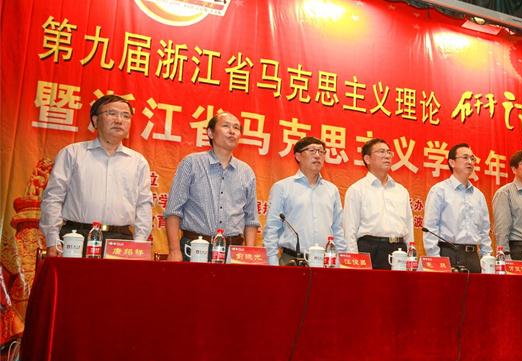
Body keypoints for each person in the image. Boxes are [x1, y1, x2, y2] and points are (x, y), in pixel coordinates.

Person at [40, 95, 152, 256]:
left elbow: (143, 205)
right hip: (76, 237)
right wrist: (53, 241)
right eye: (112, 113)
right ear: (95, 120)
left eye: (126, 116)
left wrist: (139, 244)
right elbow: (53, 198)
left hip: (121, 240)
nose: (119, 120)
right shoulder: (72, 153)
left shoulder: (138, 162)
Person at [164, 112, 259, 261]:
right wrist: (174, 251)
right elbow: (173, 211)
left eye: (236, 128)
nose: (232, 131)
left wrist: (249, 255)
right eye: (226, 126)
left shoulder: (246, 172)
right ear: (210, 133)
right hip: (195, 248)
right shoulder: (191, 163)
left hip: (233, 252)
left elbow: (251, 219)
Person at [264, 137, 346, 265]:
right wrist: (272, 263)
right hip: (292, 260)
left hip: (326, 262)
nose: (317, 155)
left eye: (321, 152)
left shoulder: (332, 190)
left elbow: (338, 229)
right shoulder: (282, 187)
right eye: (312, 151)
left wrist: (340, 262)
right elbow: (272, 228)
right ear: (298, 156)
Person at [343, 138, 414, 270]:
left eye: (389, 152)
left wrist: (411, 255)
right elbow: (350, 230)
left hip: (399, 250)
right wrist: (353, 261)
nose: (387, 156)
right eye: (381, 152)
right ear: (367, 159)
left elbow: (409, 226)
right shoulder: (357, 189)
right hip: (370, 249)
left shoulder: (401, 191)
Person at [422, 144, 491, 273]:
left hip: (473, 257)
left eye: (472, 158)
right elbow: (430, 228)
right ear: (452, 162)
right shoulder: (439, 190)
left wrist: (486, 258)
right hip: (448, 254)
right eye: (465, 157)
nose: (470, 162)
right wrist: (436, 260)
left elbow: (484, 231)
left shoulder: (478, 195)